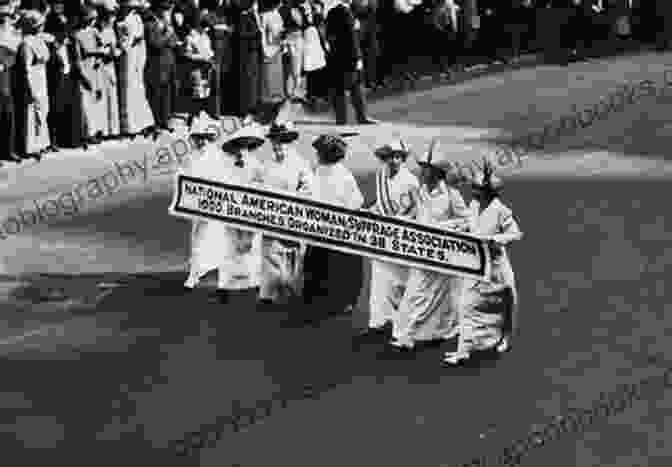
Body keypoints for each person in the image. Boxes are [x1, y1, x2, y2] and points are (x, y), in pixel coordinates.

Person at [386, 140, 471, 356]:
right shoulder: (418, 192)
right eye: (422, 167)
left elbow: (467, 220)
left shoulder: (452, 195)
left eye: (427, 168)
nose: (423, 172)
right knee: (416, 292)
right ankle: (408, 333)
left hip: (443, 254)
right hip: (421, 251)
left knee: (439, 296)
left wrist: (444, 227)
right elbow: (406, 214)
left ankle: (415, 335)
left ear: (437, 173)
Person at [443, 159, 522, 365]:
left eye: (477, 188)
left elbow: (515, 233)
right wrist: (451, 227)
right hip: (477, 265)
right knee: (466, 305)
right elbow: (468, 224)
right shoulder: (474, 205)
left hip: (497, 267)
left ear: (488, 191)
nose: (473, 191)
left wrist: (496, 239)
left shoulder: (500, 209)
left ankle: (505, 337)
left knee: (507, 303)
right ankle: (463, 350)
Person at [183, 120, 267, 303]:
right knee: (228, 247)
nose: (242, 150)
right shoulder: (224, 162)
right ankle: (224, 287)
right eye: (239, 145)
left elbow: (263, 185)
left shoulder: (256, 164)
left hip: (249, 209)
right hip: (229, 210)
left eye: (247, 146)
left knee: (250, 246)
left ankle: (254, 282)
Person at [354, 139, 419, 345]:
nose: (394, 161)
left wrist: (394, 222)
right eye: (389, 157)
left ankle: (402, 331)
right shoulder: (381, 175)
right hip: (381, 237)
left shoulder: (411, 181)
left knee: (400, 284)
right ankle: (378, 323)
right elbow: (379, 203)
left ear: (404, 159)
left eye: (398, 157)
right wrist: (368, 211)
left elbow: (414, 212)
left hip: (400, 237)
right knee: (379, 282)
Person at [302, 133, 364, 314]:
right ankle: (324, 297)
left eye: (320, 152)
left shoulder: (342, 175)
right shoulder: (321, 171)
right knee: (320, 262)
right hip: (323, 225)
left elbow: (354, 203)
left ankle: (343, 299)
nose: (318, 156)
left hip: (339, 227)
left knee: (339, 264)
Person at [258, 120, 314, 304]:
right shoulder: (265, 165)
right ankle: (268, 294)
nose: (279, 144)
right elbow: (256, 190)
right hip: (270, 218)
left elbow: (308, 191)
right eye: (275, 140)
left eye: (284, 140)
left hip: (292, 218)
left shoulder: (301, 164)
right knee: (270, 254)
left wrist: (292, 202)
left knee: (292, 257)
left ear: (291, 142)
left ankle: (292, 292)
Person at [324, 0, 377, 125]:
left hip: (337, 55)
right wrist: (357, 57)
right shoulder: (346, 12)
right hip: (349, 56)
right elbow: (352, 37)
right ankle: (360, 117)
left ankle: (343, 118)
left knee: (342, 88)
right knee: (355, 86)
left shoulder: (333, 11)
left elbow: (329, 35)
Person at [15, 9, 51, 160]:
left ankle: (42, 143)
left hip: (42, 76)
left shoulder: (39, 40)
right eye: (39, 24)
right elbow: (26, 68)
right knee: (32, 112)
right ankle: (31, 146)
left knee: (42, 110)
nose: (42, 27)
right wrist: (31, 88)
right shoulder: (26, 43)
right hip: (33, 79)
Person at [116, 0, 155, 138]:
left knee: (136, 85)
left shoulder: (135, 18)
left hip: (135, 53)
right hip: (126, 54)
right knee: (127, 87)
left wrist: (127, 44)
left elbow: (137, 38)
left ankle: (142, 122)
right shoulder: (120, 19)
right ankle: (129, 125)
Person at [44, 0, 78, 149]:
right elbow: (54, 41)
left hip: (66, 67)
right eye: (56, 3)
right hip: (55, 69)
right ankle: (54, 139)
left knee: (64, 104)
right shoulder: (50, 21)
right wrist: (60, 38)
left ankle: (65, 138)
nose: (60, 6)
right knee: (55, 105)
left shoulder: (63, 21)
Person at [73, 4, 106, 146]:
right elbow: (77, 58)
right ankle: (86, 134)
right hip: (85, 69)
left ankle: (97, 131)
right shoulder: (77, 35)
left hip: (96, 68)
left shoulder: (94, 32)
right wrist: (82, 75)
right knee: (85, 103)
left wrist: (99, 58)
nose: (92, 21)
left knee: (97, 101)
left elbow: (101, 47)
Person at [145, 0, 180, 131]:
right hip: (157, 62)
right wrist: (167, 35)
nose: (166, 12)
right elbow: (155, 44)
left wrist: (170, 36)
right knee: (157, 92)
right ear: (158, 10)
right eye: (164, 9)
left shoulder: (166, 24)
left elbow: (174, 40)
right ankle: (158, 121)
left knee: (168, 91)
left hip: (169, 60)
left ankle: (166, 120)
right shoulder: (150, 24)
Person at [179, 11, 215, 121]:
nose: (207, 30)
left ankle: (201, 114)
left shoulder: (205, 36)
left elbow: (209, 50)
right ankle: (193, 116)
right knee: (196, 92)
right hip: (195, 68)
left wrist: (210, 56)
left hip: (206, 68)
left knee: (205, 92)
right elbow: (187, 55)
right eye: (205, 27)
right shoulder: (190, 37)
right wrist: (202, 58)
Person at [201, 0, 234, 118]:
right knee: (216, 80)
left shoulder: (228, 11)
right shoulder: (207, 13)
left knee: (224, 80)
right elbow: (204, 25)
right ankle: (216, 110)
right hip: (215, 50)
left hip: (226, 50)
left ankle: (223, 109)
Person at [231, 0, 262, 119]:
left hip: (249, 54)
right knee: (248, 82)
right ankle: (246, 110)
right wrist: (257, 33)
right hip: (247, 55)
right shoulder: (244, 17)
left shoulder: (248, 16)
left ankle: (249, 108)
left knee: (250, 81)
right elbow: (244, 35)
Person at [0, 0, 21, 164]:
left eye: (5, 15)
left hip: (5, 76)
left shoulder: (12, 33)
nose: (3, 18)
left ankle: (8, 150)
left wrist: (4, 63)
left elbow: (13, 55)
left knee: (7, 112)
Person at [259, 0, 286, 108]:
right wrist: (264, 49)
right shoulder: (264, 15)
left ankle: (277, 97)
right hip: (269, 48)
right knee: (268, 75)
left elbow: (280, 29)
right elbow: (262, 34)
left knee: (277, 74)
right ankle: (268, 100)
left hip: (277, 47)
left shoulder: (277, 14)